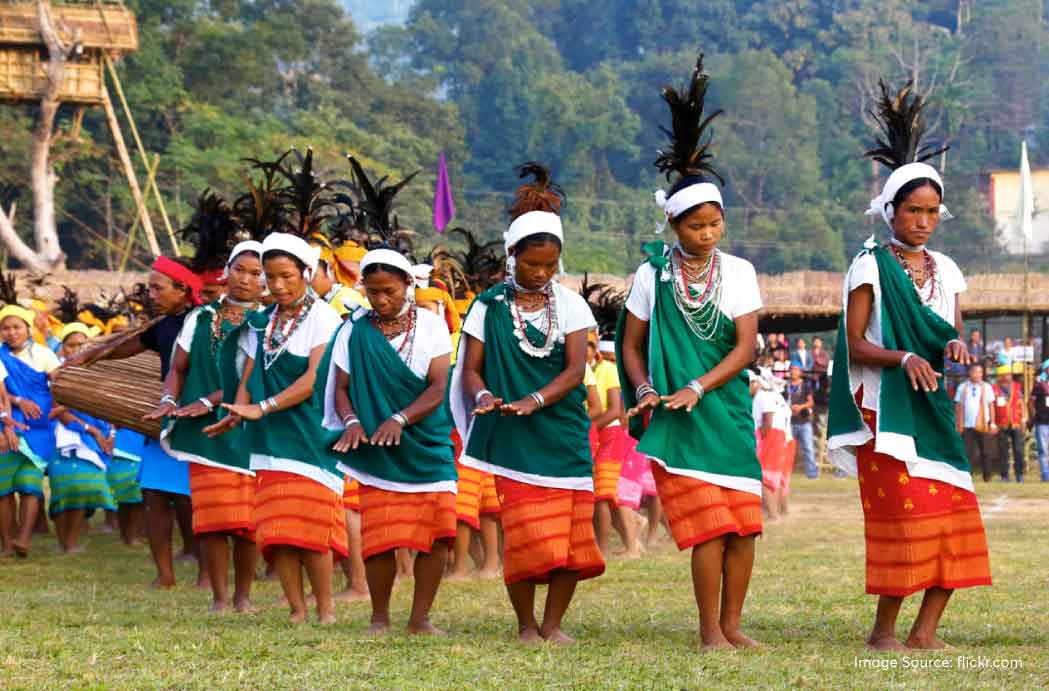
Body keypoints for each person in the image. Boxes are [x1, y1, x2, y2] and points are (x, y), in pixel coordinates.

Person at [827, 80, 991, 651]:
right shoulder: (868, 265)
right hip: (882, 412)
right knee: (906, 521)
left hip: (931, 409)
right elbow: (852, 345)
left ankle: (924, 633)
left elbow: (952, 333)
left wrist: (954, 349)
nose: (922, 221)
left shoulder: (947, 269)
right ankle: (883, 633)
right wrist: (902, 356)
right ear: (890, 212)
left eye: (930, 212)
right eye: (912, 211)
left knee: (954, 517)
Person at [619, 57, 764, 651]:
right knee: (708, 531)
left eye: (715, 223)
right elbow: (628, 346)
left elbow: (746, 345)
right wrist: (648, 388)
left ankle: (734, 626)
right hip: (678, 422)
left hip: (724, 412)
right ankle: (709, 631)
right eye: (695, 226)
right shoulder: (651, 274)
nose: (707, 234)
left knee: (745, 530)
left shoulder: (739, 272)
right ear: (674, 224)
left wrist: (701, 385)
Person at [452, 162, 604, 645]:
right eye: (531, 264)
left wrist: (534, 400)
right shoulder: (487, 306)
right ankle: (525, 624)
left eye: (548, 265)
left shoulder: (572, 305)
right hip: (511, 439)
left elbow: (575, 370)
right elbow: (471, 367)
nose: (540, 273)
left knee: (570, 540)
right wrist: (483, 395)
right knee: (524, 536)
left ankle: (554, 623)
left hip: (562, 437)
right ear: (511, 255)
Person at [205, 232, 346, 624]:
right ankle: (297, 609)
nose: (278, 285)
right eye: (272, 277)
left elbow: (314, 380)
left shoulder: (324, 318)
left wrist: (261, 409)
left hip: (311, 438)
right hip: (269, 440)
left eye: (287, 276)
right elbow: (249, 376)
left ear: (306, 272)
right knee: (278, 530)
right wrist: (238, 411)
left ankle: (325, 608)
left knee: (312, 530)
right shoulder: (262, 321)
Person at [326, 236, 457, 636]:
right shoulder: (354, 331)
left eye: (389, 291)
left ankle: (420, 618)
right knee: (381, 538)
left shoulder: (433, 326)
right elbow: (342, 388)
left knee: (439, 535)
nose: (380, 299)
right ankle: (379, 617)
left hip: (427, 445)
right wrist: (350, 422)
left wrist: (400, 418)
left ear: (408, 287)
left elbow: (438, 387)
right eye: (373, 291)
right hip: (377, 450)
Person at [65, 255, 206, 588]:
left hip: (198, 422)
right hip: (165, 421)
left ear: (182, 289)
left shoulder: (205, 321)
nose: (151, 295)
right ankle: (165, 574)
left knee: (190, 500)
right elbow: (129, 345)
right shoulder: (161, 326)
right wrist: (90, 355)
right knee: (154, 494)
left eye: (158, 288)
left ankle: (205, 572)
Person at [155, 238, 265, 613]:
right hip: (205, 436)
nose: (246, 279)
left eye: (256, 273)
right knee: (213, 521)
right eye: (240, 270)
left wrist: (208, 400)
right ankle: (219, 598)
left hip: (248, 430)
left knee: (248, 525)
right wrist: (169, 400)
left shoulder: (268, 323)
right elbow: (178, 369)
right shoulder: (199, 318)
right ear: (227, 271)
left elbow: (254, 378)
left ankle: (243, 597)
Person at [0, 305, 58, 557]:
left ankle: (23, 539)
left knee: (30, 484)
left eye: (17, 327)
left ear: (28, 328)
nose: (11, 333)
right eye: (5, 328)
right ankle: (6, 543)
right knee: (3, 489)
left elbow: (60, 384)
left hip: (40, 429)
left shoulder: (44, 355)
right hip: (6, 426)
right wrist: (17, 402)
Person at [592, 341, 641, 557]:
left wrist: (589, 427)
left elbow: (616, 412)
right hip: (603, 435)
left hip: (613, 436)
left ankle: (627, 547)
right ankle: (632, 541)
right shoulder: (590, 370)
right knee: (611, 496)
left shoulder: (611, 371)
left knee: (609, 495)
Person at [954, 364, 997, 482]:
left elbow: (991, 405)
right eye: (975, 372)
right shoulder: (962, 387)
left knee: (986, 451)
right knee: (967, 452)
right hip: (967, 424)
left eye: (980, 372)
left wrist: (992, 422)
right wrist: (958, 423)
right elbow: (958, 406)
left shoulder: (987, 387)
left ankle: (987, 477)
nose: (978, 375)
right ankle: (967, 476)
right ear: (970, 373)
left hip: (983, 423)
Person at [992, 371, 1025, 482]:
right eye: (1004, 374)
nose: (1006, 376)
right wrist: (993, 423)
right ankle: (1004, 476)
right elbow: (991, 405)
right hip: (1001, 424)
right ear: (999, 376)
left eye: (1008, 374)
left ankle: (1019, 475)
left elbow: (1022, 403)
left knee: (1018, 450)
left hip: (1015, 423)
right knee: (1003, 451)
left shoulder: (1017, 386)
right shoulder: (994, 388)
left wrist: (1024, 419)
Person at [787, 364, 817, 479]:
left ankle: (812, 474)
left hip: (804, 422)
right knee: (788, 449)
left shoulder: (805, 386)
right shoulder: (786, 386)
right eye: (791, 369)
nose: (793, 371)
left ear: (800, 372)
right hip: (789, 422)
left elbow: (811, 402)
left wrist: (800, 407)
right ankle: (787, 472)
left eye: (795, 369)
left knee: (808, 448)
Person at [1029, 362, 1049, 482]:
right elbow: (1030, 402)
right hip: (1042, 422)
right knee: (1043, 450)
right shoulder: (1039, 385)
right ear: (1046, 369)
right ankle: (1046, 476)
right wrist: (1033, 416)